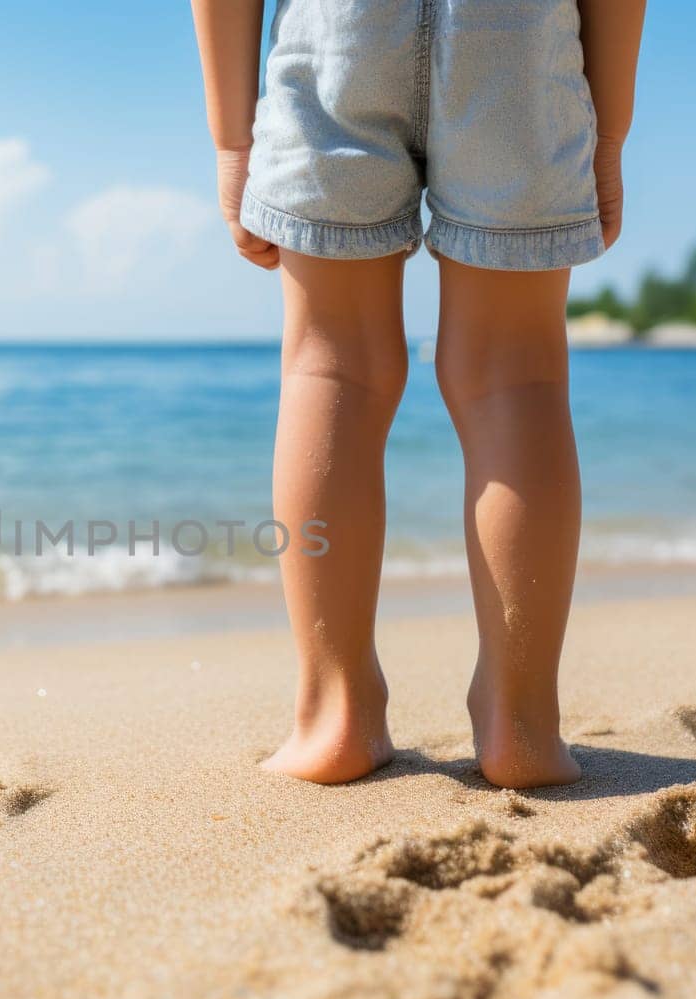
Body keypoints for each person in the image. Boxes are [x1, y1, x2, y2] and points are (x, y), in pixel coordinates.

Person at [191, 0, 646, 787]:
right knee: (518, 376)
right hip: (518, 36)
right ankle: (522, 719)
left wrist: (232, 137)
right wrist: (609, 133)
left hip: (338, 32)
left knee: (330, 367)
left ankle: (334, 711)